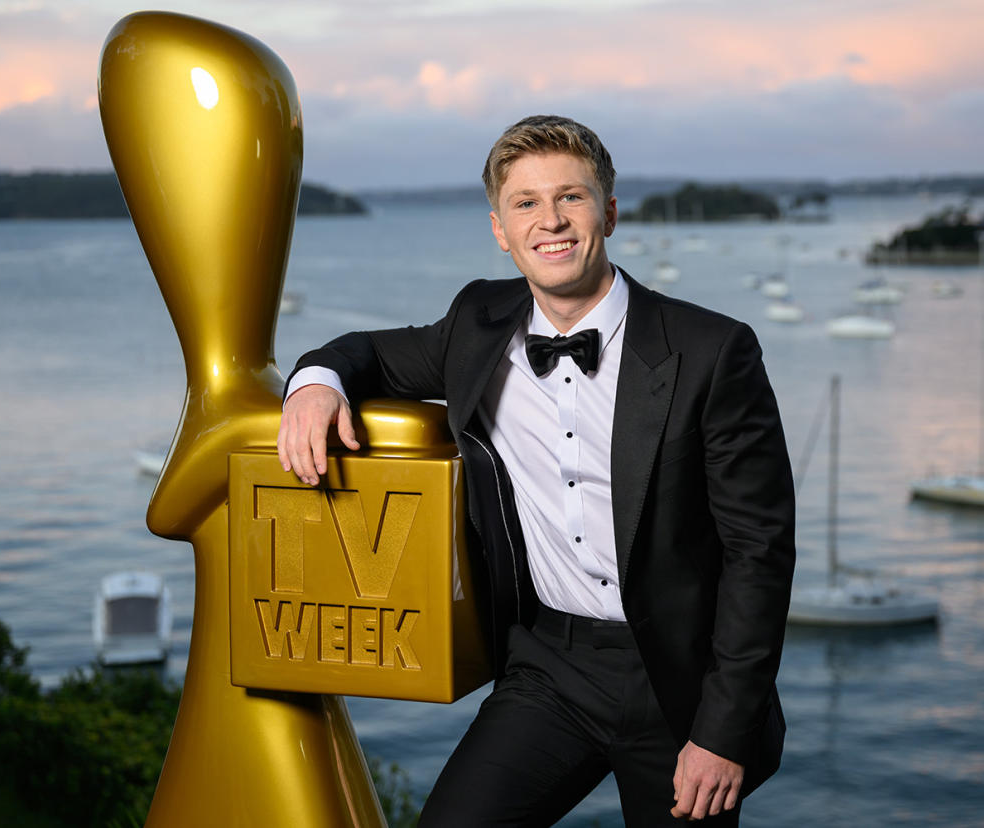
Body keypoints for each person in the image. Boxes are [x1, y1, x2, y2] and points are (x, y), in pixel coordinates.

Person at [278, 115, 795, 826]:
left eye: (571, 198)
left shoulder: (713, 351)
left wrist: (723, 731)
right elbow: (366, 351)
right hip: (551, 666)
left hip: (681, 681)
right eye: (525, 203)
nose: (550, 220)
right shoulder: (476, 324)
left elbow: (758, 553)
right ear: (499, 228)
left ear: (608, 212)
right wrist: (314, 385)